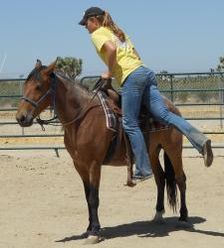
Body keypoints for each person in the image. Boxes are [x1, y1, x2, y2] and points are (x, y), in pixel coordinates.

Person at [78, 7, 213, 181]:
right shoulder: (118, 32)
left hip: (131, 77)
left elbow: (111, 50)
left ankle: (143, 168)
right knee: (165, 114)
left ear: (94, 21)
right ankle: (201, 141)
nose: (85, 27)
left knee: (130, 123)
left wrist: (109, 72)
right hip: (144, 72)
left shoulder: (98, 34)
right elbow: (135, 54)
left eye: (86, 23)